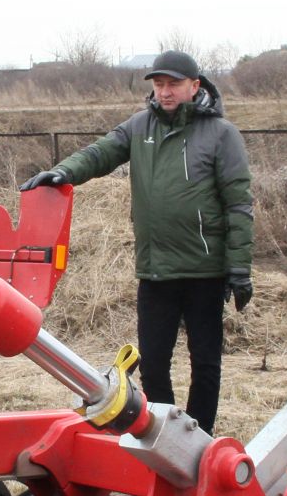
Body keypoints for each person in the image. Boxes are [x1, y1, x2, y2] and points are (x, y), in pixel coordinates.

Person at [20, 50, 253, 433]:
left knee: (206, 363)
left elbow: (239, 204)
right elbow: (99, 154)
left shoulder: (221, 135)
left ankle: (201, 438)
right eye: (159, 84)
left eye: (173, 84)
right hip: (156, 269)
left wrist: (239, 269)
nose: (165, 92)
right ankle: (165, 437)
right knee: (154, 363)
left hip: (205, 271)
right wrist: (61, 173)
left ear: (195, 87)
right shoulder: (139, 127)